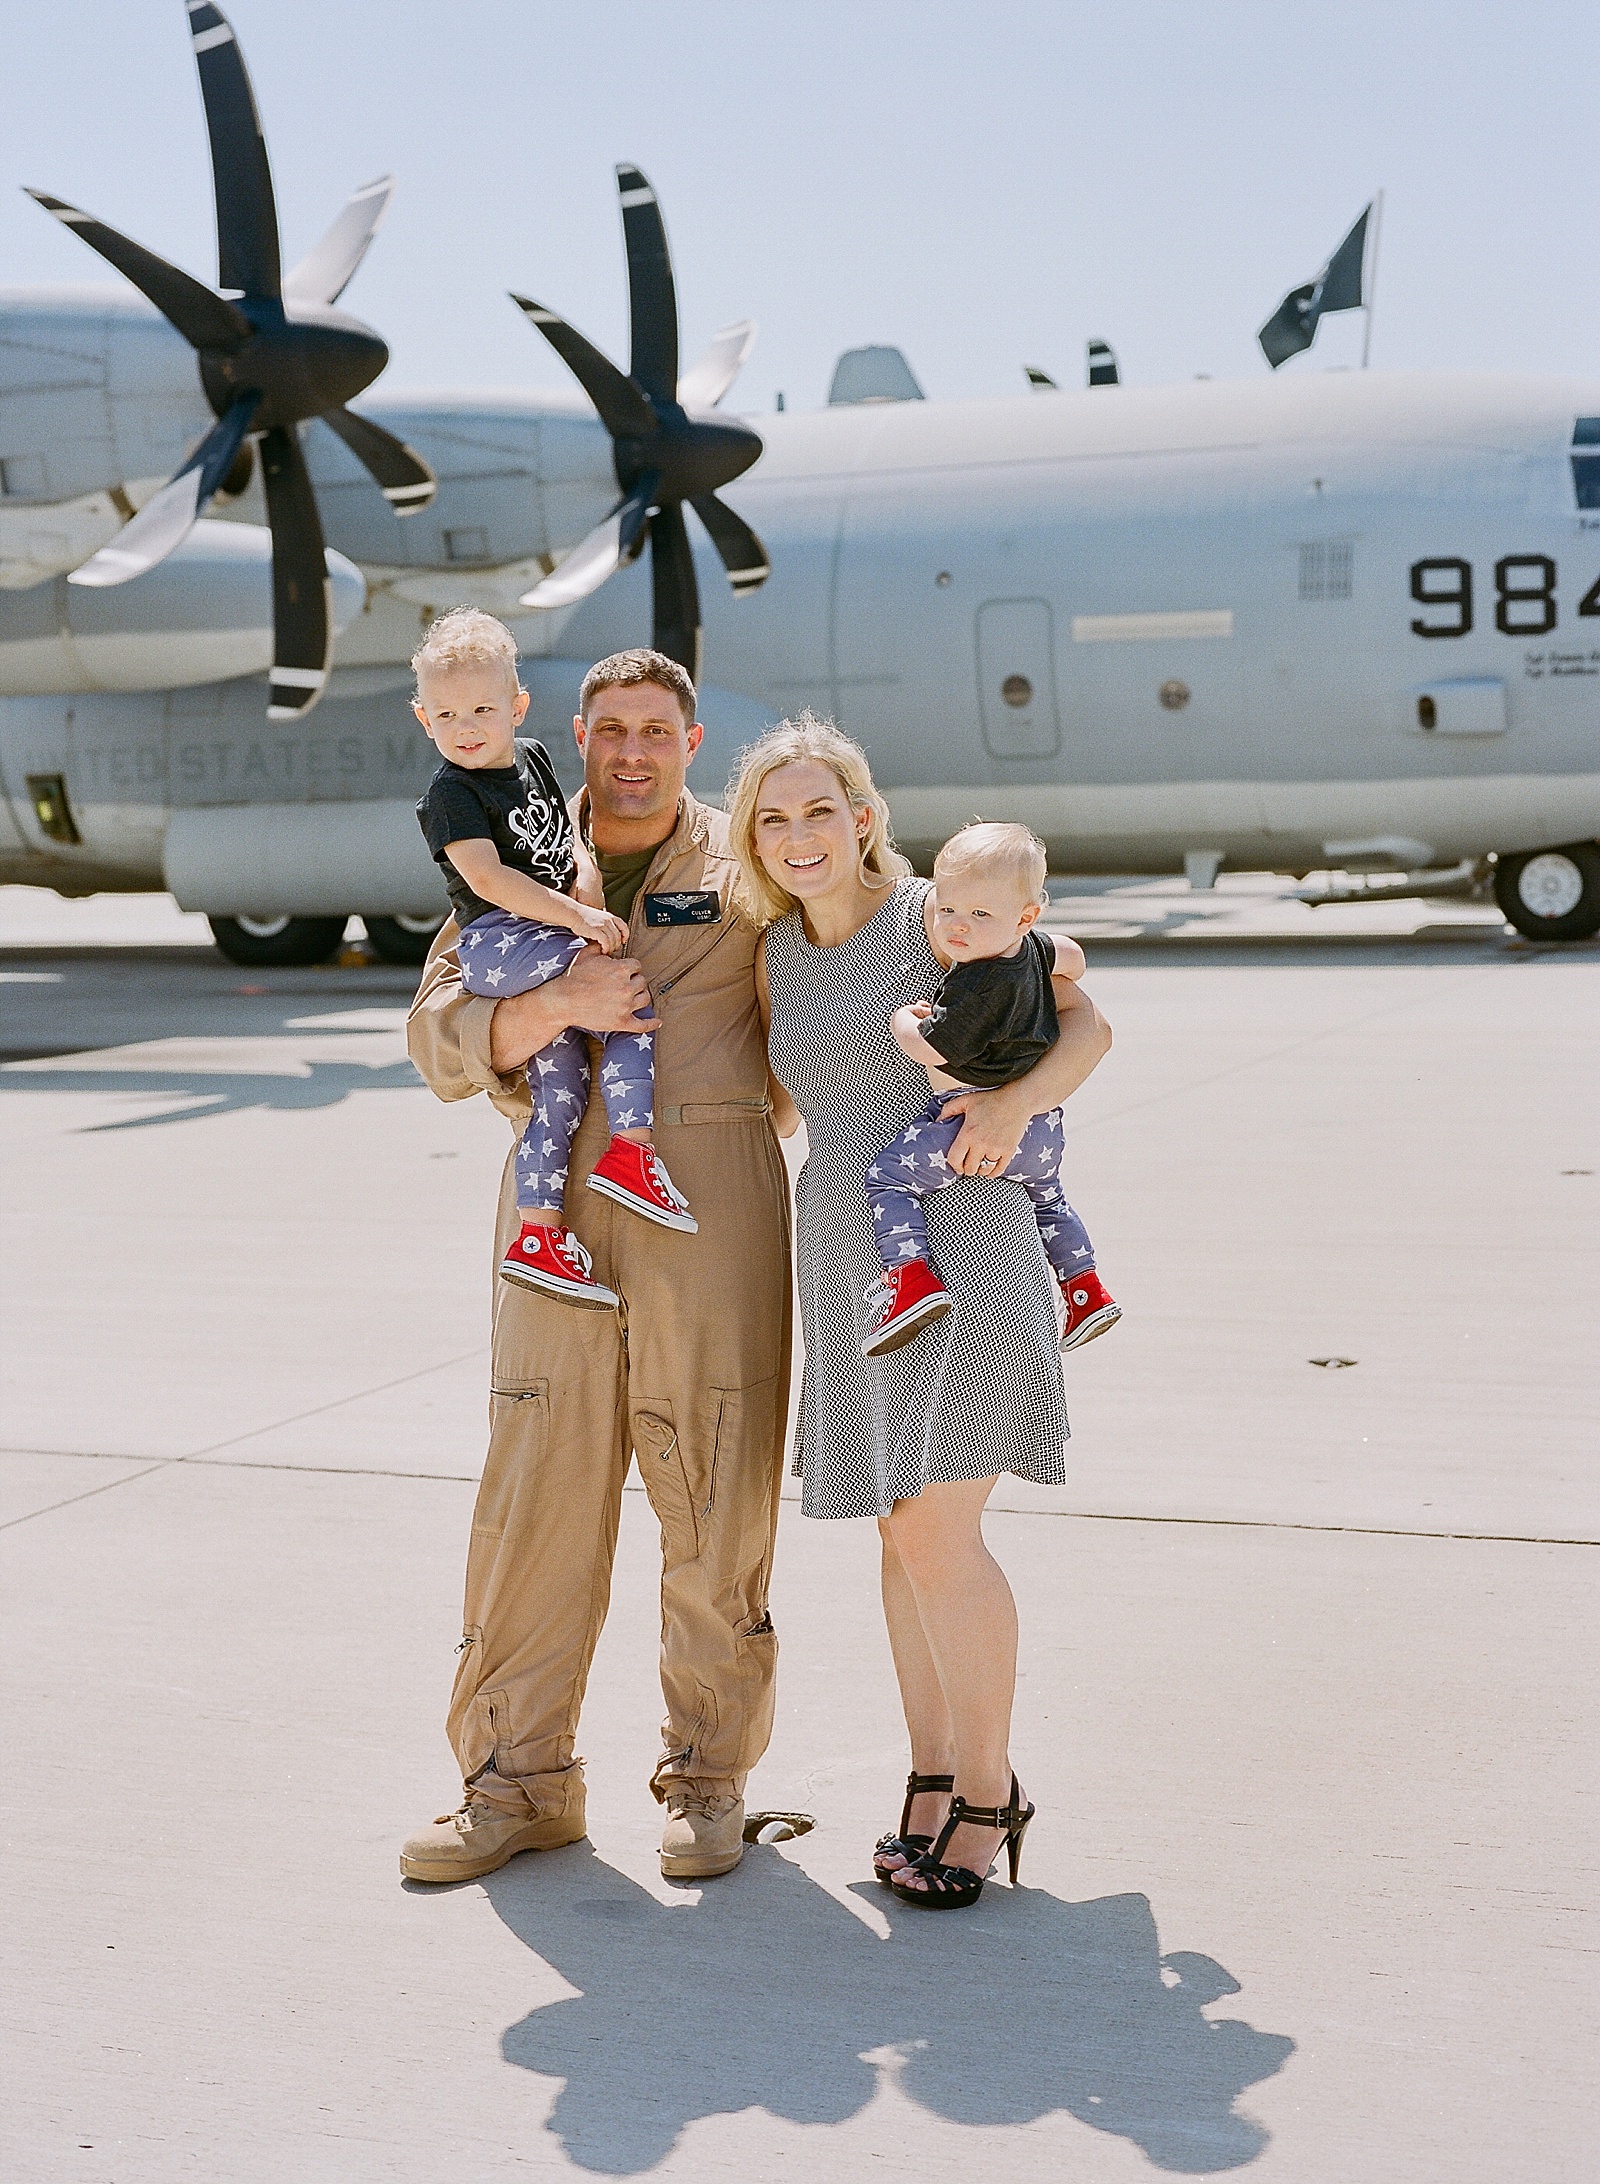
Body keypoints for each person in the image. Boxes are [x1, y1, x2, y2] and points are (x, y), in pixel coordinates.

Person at [400, 648, 791, 1886]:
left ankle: (708, 1780)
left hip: (707, 1195)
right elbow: (436, 1032)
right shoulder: (504, 851)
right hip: (553, 1195)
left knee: (715, 1481)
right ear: (570, 733)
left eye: (655, 731)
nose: (631, 752)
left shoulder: (750, 859)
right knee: (536, 1483)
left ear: (689, 738)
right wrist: (554, 1004)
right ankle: (517, 1783)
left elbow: (853, 975)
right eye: (610, 728)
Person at [728, 714, 1112, 1911]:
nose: (799, 835)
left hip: (968, 1236)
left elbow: (1087, 1017)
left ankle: (989, 1795)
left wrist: (1014, 1109)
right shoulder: (778, 952)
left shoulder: (941, 917)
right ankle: (934, 1777)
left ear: (862, 816)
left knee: (939, 1532)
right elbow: (799, 1106)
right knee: (899, 1533)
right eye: (773, 817)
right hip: (854, 1256)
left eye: (818, 809)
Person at [413, 610, 695, 1308]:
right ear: (423, 719)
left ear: (518, 707)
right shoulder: (451, 794)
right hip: (500, 940)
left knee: (558, 1093)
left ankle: (538, 1232)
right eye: (447, 714)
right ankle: (632, 1152)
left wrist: (586, 876)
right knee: (624, 998)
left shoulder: (533, 758)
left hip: (539, 933)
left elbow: (562, 840)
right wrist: (578, 919)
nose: (467, 726)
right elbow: (488, 881)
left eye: (483, 708)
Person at [861, 819, 1119, 1357]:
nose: (958, 927)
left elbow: (932, 1050)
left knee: (888, 1176)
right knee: (1049, 1198)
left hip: (970, 1126)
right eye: (948, 908)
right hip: (1042, 1131)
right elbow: (1073, 957)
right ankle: (1084, 1289)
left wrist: (905, 1022)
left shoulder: (978, 982)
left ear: (1026, 915)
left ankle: (910, 1280)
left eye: (980, 915)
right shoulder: (1031, 948)